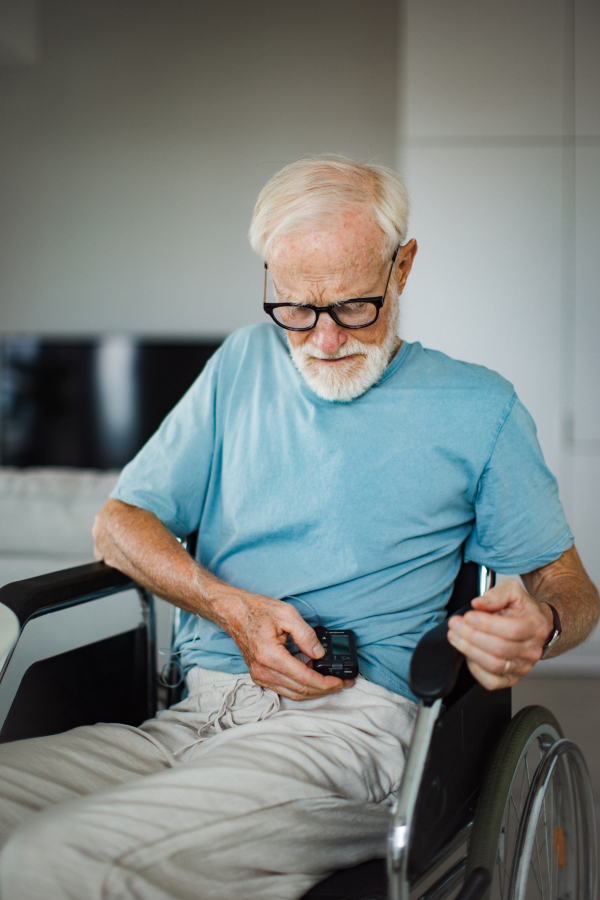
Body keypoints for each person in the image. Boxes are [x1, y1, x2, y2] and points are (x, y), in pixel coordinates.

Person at [0, 155, 598, 900]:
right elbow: (118, 525)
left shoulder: (481, 407)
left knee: (53, 865)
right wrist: (232, 610)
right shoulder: (240, 364)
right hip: (189, 715)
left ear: (402, 268)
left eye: (353, 306)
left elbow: (571, 586)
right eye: (296, 309)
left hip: (345, 738)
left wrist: (538, 623)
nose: (323, 340)